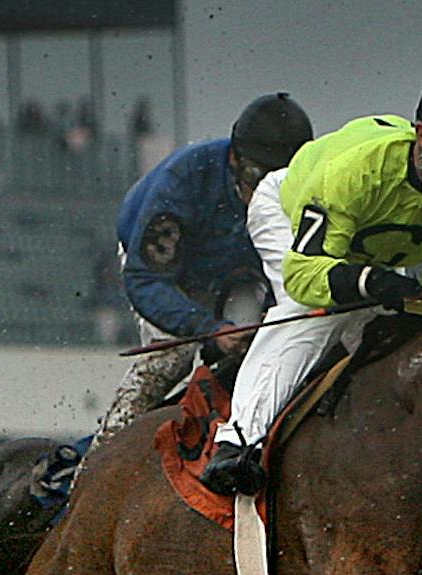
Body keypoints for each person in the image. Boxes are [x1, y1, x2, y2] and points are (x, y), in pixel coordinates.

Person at [199, 44, 422, 496]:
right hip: (287, 212)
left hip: (361, 251)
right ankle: (237, 441)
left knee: (390, 328)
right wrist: (369, 281)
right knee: (309, 309)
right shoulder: (357, 173)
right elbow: (305, 275)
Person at [99, 92, 313, 437]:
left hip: (241, 272)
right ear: (233, 158)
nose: (265, 192)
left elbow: (291, 282)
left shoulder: (309, 190)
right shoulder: (183, 180)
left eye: (281, 180)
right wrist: (208, 328)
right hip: (169, 272)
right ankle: (103, 452)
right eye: (257, 175)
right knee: (172, 357)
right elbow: (146, 278)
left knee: (261, 348)